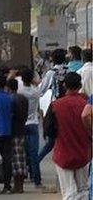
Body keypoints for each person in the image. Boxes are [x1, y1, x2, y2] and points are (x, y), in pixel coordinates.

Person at [45, 72, 91, 200]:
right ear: (80, 85)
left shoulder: (56, 105)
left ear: (64, 85)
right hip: (83, 153)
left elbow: (48, 130)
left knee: (69, 192)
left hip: (63, 153)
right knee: (83, 190)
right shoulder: (86, 104)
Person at [16, 68, 43, 189]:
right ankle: (36, 179)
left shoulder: (19, 90)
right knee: (33, 154)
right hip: (33, 123)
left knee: (20, 152)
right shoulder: (35, 91)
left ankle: (20, 177)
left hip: (21, 124)